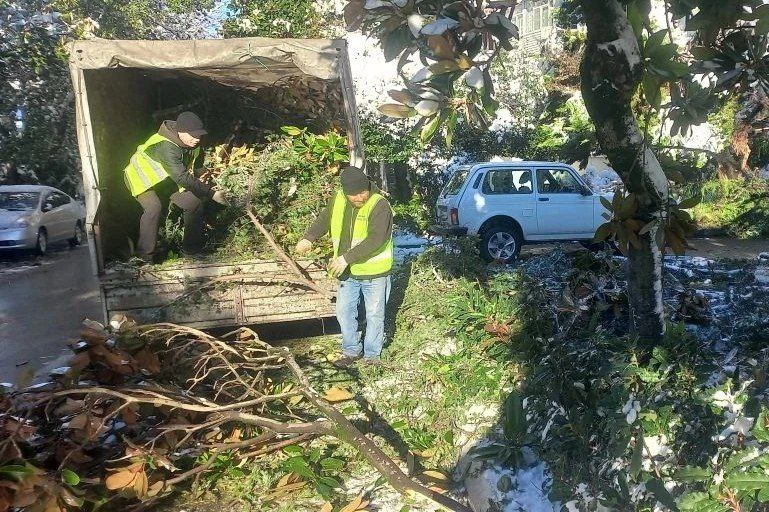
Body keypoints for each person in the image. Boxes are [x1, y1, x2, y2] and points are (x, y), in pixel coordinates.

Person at [295, 166, 394, 366]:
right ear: (345, 191)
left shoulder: (380, 205)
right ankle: (351, 351)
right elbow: (325, 219)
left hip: (374, 273)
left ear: (367, 186)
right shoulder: (339, 198)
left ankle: (372, 357)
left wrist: (345, 258)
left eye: (361, 193)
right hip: (348, 272)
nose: (358, 198)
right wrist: (309, 238)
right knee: (344, 311)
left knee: (375, 314)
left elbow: (376, 239)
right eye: (353, 195)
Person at [123, 111, 226, 261]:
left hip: (164, 179)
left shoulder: (193, 143)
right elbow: (181, 177)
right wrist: (211, 194)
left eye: (199, 135)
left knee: (193, 202)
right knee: (154, 207)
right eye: (193, 135)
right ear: (181, 132)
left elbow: (198, 167)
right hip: (140, 179)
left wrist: (208, 179)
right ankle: (144, 257)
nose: (196, 139)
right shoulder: (166, 146)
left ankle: (192, 251)